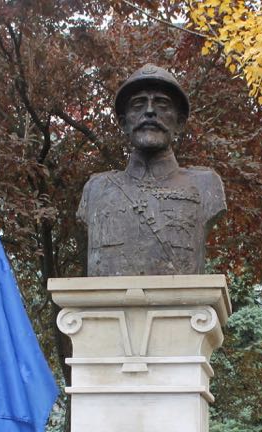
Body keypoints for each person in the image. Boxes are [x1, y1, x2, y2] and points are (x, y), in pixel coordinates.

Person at [78, 63, 226, 276]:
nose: (149, 112)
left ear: (180, 122)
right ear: (123, 123)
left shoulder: (205, 186)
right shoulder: (96, 190)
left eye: (162, 104)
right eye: (138, 104)